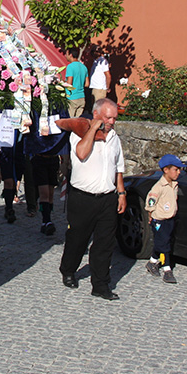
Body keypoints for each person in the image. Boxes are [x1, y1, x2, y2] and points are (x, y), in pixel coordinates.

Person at [59, 98, 126, 300]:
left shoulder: (114, 138)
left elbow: (119, 168)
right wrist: (92, 130)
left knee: (105, 244)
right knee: (77, 239)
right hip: (82, 198)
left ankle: (100, 285)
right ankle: (68, 269)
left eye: (114, 117)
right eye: (108, 117)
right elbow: (81, 153)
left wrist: (121, 193)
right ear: (96, 115)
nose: (112, 121)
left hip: (107, 198)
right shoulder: (78, 133)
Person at [144, 154, 184, 284]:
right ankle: (167, 269)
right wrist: (150, 214)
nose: (178, 172)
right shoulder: (159, 187)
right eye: (175, 169)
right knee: (164, 244)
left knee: (163, 241)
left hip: (170, 218)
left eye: (179, 170)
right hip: (159, 219)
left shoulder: (174, 185)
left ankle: (152, 262)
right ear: (166, 170)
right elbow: (151, 201)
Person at [64, 47, 89, 117]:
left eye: (66, 54)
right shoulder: (84, 67)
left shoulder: (70, 67)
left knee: (71, 122)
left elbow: (69, 83)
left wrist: (62, 83)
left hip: (72, 97)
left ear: (70, 55)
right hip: (81, 97)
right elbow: (87, 84)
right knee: (78, 122)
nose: (65, 56)